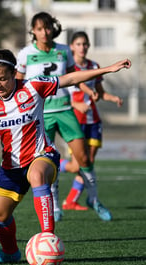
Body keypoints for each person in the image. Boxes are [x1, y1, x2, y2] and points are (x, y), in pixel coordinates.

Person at [0, 49, 130, 263]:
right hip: (11, 166)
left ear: (14, 74)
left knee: (37, 175)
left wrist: (109, 69)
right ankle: (10, 253)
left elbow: (71, 78)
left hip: (42, 155)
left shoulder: (32, 87)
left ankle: (49, 239)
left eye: (2, 79)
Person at [15, 11, 111, 222]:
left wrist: (88, 92)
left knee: (84, 157)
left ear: (53, 28)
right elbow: (18, 85)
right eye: (39, 28)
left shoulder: (64, 50)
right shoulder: (25, 54)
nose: (44, 32)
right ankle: (56, 206)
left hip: (65, 110)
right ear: (33, 31)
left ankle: (93, 200)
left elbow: (74, 78)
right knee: (47, 161)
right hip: (40, 115)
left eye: (47, 27)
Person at [61, 31, 124, 212]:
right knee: (76, 165)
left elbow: (99, 92)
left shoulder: (93, 66)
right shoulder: (66, 67)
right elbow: (59, 94)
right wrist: (75, 104)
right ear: (72, 46)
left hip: (93, 120)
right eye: (79, 44)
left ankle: (72, 200)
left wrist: (113, 98)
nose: (83, 47)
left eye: (85, 44)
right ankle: (53, 163)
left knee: (88, 163)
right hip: (73, 120)